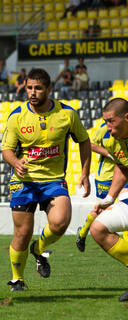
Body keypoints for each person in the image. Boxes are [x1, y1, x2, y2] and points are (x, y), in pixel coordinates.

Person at [1, 68, 91, 292]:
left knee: (60, 223)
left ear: (49, 89)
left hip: (53, 180)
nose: (32, 92)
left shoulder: (67, 114)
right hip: (24, 180)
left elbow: (84, 140)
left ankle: (38, 249)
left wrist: (84, 173)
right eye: (29, 87)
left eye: (38, 88)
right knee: (22, 233)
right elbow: (7, 150)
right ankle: (17, 279)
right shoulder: (17, 116)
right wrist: (15, 162)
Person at [90, 98, 128, 302]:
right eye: (105, 122)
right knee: (98, 228)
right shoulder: (113, 140)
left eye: (111, 121)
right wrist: (110, 197)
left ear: (127, 118)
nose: (108, 128)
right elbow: (123, 166)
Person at [76, 121, 128, 252]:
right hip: (104, 176)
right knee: (103, 210)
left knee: (124, 205)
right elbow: (90, 144)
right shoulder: (105, 129)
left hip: (123, 174)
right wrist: (108, 153)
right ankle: (82, 233)